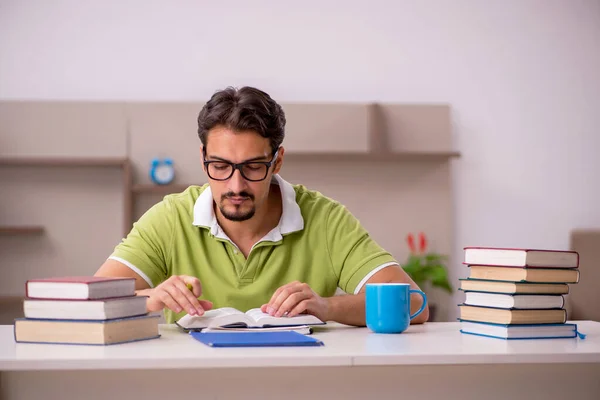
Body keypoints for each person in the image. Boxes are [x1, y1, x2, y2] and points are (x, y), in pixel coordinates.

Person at [95, 86, 429, 326]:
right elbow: (95, 299)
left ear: (277, 161)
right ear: (202, 159)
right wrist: (151, 298)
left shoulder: (325, 219)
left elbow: (414, 304)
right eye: (220, 166)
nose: (235, 186)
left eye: (253, 167)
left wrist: (326, 307)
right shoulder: (170, 219)